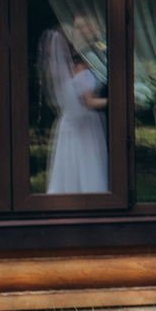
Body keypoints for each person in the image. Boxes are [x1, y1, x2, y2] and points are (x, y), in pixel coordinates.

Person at [38, 21, 108, 194]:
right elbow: (89, 102)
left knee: (73, 167)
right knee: (87, 166)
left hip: (70, 125)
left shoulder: (66, 70)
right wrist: (118, 102)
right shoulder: (79, 69)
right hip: (84, 126)